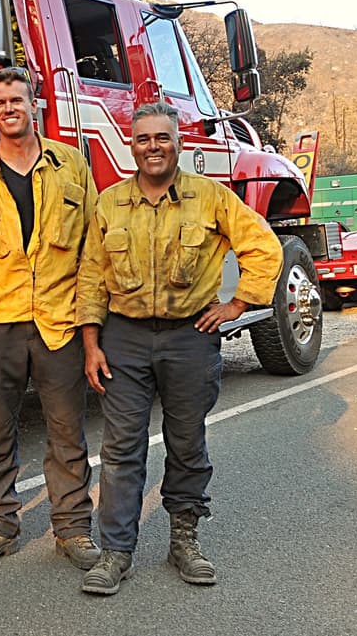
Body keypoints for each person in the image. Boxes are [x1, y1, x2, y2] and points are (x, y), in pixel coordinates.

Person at [76, 102, 283, 596]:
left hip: (191, 335)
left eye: (162, 138)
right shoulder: (108, 204)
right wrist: (91, 343)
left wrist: (238, 304)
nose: (153, 146)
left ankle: (184, 540)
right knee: (121, 448)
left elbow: (264, 246)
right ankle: (116, 553)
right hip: (123, 338)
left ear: (179, 143)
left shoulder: (211, 198)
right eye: (144, 138)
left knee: (186, 442)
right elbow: (89, 276)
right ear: (132, 144)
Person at [0, 66, 100, 572]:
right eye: (0, 103)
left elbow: (92, 248)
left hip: (59, 322)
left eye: (17, 100)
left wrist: (92, 323)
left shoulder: (71, 166)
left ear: (34, 104)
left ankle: (74, 529)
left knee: (66, 434)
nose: (9, 109)